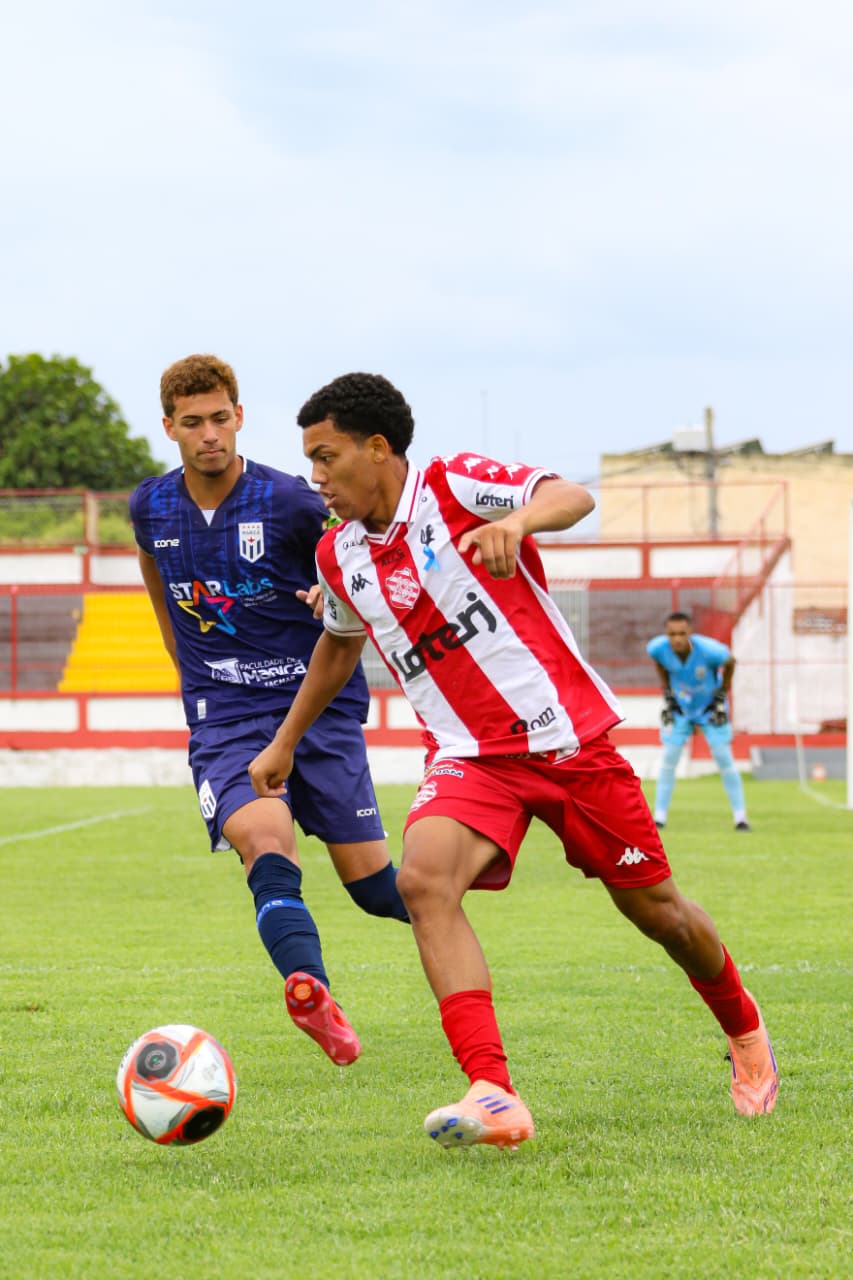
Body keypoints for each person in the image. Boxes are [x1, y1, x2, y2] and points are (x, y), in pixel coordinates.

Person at [248, 372, 778, 1150]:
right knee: (423, 881)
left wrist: (518, 521)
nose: (315, 477)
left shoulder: (453, 484)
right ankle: (492, 1091)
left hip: (565, 742)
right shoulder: (338, 556)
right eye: (309, 462)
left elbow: (571, 496)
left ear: (378, 447)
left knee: (656, 912)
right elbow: (338, 641)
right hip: (469, 755)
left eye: (326, 458)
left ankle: (744, 1028)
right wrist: (284, 740)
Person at [129, 355, 408, 1068]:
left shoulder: (289, 500)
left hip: (316, 709)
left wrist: (330, 589)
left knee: (378, 890)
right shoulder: (149, 507)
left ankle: (455, 909)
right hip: (225, 715)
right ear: (170, 427)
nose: (209, 435)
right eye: (192, 423)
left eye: (220, 418)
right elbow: (161, 591)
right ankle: (309, 988)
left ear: (239, 416)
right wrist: (193, 683)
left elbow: (352, 563)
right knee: (265, 840)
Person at [646, 612, 751, 832]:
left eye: (682, 634)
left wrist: (722, 693)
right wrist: (667, 692)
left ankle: (740, 817)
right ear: (666, 634)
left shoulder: (709, 650)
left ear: (690, 633)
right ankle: (659, 817)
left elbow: (730, 661)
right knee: (669, 757)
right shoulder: (658, 649)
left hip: (709, 706)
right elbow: (659, 664)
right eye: (672, 634)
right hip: (681, 707)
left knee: (723, 757)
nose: (677, 639)